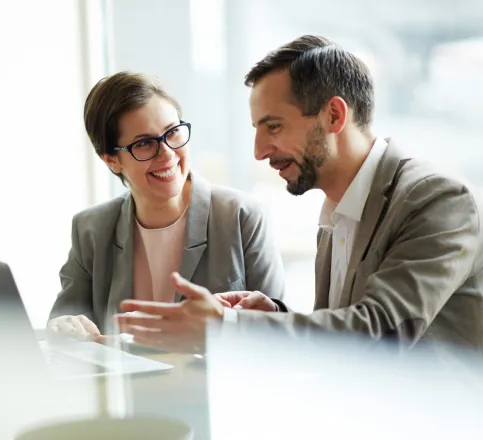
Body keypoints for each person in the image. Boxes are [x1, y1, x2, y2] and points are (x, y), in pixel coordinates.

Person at [115, 35, 483, 355]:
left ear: (334, 116)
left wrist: (228, 328)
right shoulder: (338, 206)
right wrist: (273, 318)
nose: (259, 150)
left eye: (273, 126)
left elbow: (382, 335)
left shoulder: (437, 199)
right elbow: (344, 335)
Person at [48, 71, 286, 340]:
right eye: (145, 143)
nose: (168, 154)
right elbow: (64, 319)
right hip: (126, 381)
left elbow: (278, 332)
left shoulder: (242, 216)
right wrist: (65, 327)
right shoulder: (90, 229)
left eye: (172, 133)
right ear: (111, 160)